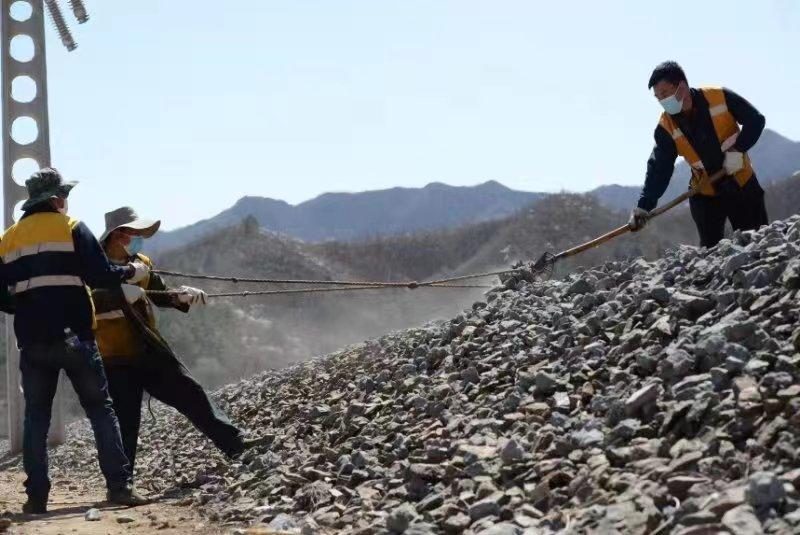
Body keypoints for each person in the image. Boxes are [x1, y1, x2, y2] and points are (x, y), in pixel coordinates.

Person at [0, 169, 150, 514]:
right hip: (77, 339)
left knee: (36, 417)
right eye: (63, 196)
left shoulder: (7, 239)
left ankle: (36, 499)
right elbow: (99, 275)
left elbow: (1, 296)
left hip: (34, 345)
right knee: (100, 409)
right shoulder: (72, 228)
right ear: (56, 199)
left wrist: (23, 305)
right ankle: (119, 487)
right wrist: (130, 272)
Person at [91, 206, 255, 476]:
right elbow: (85, 301)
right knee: (125, 421)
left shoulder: (141, 263)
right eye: (135, 232)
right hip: (113, 356)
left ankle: (236, 445)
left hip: (148, 349)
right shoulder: (94, 266)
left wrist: (183, 296)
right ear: (118, 235)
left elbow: (160, 294)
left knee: (192, 395)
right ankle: (121, 483)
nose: (139, 238)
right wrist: (117, 296)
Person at [629, 61, 768, 247]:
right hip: (705, 192)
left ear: (682, 87)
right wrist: (644, 206)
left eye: (664, 93)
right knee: (710, 252)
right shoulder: (666, 127)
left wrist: (737, 150)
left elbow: (755, 120)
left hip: (741, 183)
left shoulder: (719, 97)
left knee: (758, 242)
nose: (662, 101)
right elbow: (659, 169)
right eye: (657, 97)